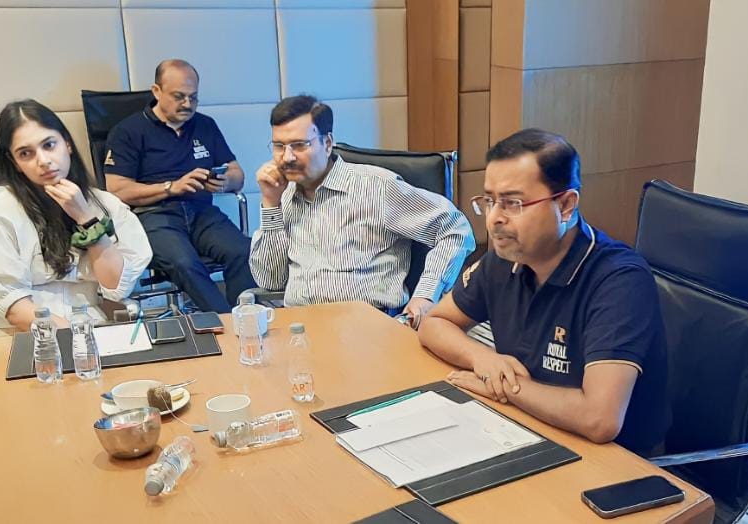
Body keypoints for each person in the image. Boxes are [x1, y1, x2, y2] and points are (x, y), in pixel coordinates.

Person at [417, 129, 669, 455]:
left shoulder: (619, 280)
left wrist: (506, 387)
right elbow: (434, 323)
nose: (494, 219)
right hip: (526, 427)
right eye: (489, 201)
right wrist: (482, 358)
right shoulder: (505, 257)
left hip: (615, 461)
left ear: (565, 205)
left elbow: (599, 419)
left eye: (513, 203)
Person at [250, 95, 474, 326]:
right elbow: (271, 281)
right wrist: (271, 204)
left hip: (366, 328)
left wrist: (426, 294)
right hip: (300, 327)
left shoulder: (377, 188)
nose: (287, 157)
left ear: (327, 143)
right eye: (279, 146)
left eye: (299, 145)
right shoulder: (285, 194)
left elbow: (455, 229)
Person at [0, 99, 153, 338]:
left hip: (89, 326)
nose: (43, 161)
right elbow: (13, 306)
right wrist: (75, 340)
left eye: (49, 145)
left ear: (67, 144)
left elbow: (117, 286)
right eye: (26, 153)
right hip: (17, 334)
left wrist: (86, 218)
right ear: (15, 163)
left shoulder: (106, 205)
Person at [103, 58, 254, 313]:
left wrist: (225, 181)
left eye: (193, 98)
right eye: (179, 96)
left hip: (202, 213)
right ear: (156, 91)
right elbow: (117, 189)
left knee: (244, 250)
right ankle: (226, 321)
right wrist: (171, 187)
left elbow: (237, 173)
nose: (187, 104)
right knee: (185, 262)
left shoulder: (205, 125)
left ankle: (246, 315)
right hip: (155, 215)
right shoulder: (128, 131)